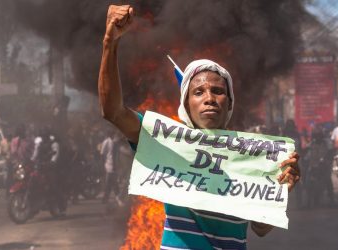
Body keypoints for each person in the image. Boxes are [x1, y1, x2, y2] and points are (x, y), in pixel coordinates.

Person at [98, 5, 300, 249]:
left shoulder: (251, 155)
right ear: (186, 103)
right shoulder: (168, 140)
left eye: (218, 91)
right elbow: (113, 111)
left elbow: (260, 228)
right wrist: (110, 42)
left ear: (229, 103)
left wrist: (282, 190)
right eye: (198, 92)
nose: (209, 98)